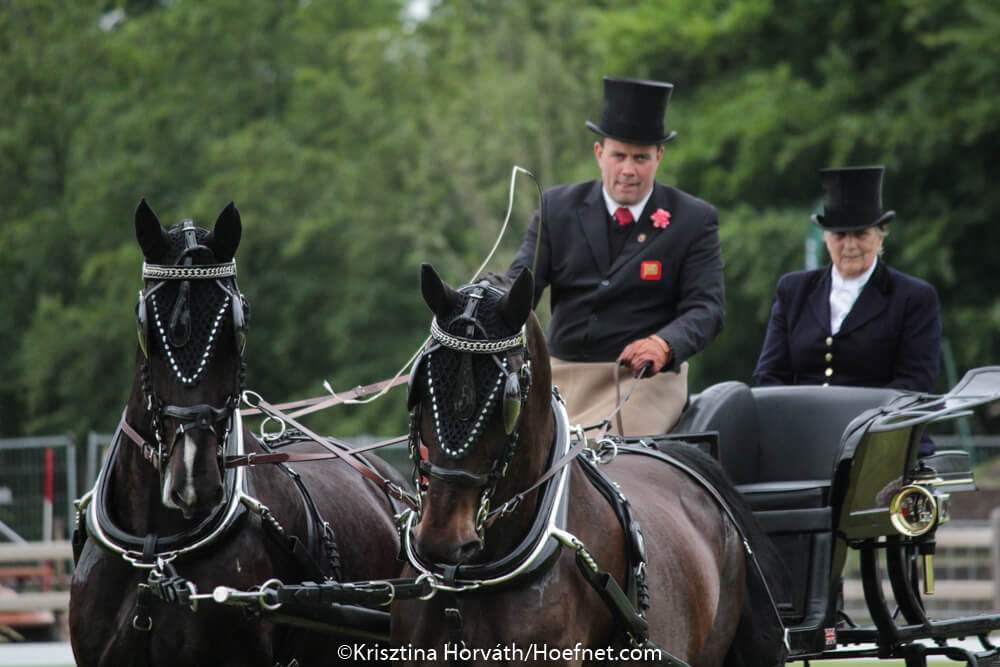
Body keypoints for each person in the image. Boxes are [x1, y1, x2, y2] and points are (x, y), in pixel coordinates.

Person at [508, 76, 724, 435]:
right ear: (599, 153)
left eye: (641, 158)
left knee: (605, 457)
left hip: (645, 381)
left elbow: (708, 308)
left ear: (659, 156)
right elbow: (519, 288)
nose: (628, 170)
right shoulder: (557, 208)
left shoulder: (693, 220)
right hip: (560, 376)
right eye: (619, 156)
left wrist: (664, 344)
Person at [754, 165, 941, 394]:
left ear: (880, 236)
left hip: (879, 416)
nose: (850, 246)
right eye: (840, 235)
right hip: (802, 416)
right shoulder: (793, 290)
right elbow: (769, 374)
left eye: (861, 234)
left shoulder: (912, 298)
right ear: (826, 238)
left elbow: (916, 381)